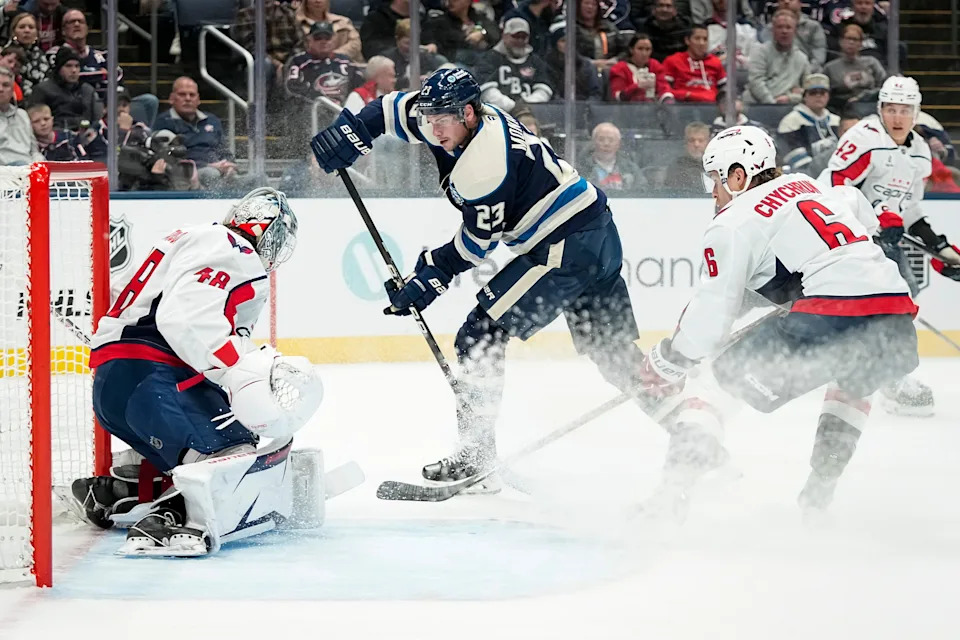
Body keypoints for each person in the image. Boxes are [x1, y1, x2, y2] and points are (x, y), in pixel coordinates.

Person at [311, 68, 646, 488]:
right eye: (429, 118)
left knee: (480, 333)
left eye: (442, 119)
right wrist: (353, 132)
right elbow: (389, 109)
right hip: (594, 232)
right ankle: (690, 423)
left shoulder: (485, 164)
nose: (433, 128)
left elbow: (475, 245)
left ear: (469, 114)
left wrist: (430, 274)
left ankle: (476, 456)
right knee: (613, 352)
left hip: (565, 246)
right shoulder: (449, 118)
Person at [637, 125, 919, 518]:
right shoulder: (809, 185)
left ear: (738, 176)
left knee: (714, 384)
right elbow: (854, 202)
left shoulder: (732, 221)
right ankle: (818, 496)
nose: (712, 191)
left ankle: (669, 498)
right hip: (897, 320)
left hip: (827, 316)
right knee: (854, 382)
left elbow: (713, 309)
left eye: (715, 179)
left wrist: (672, 358)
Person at [71, 188, 322, 556]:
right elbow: (185, 320)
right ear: (266, 232)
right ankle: (172, 518)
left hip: (119, 384)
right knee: (235, 448)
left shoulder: (194, 235)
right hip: (153, 380)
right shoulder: (235, 250)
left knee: (206, 439)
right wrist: (239, 373)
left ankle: (119, 491)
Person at [820, 76, 959, 416]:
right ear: (880, 109)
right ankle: (887, 378)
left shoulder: (920, 152)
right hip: (839, 238)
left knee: (904, 294)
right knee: (883, 304)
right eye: (891, 109)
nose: (897, 117)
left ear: (917, 113)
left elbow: (909, 210)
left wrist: (940, 249)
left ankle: (889, 376)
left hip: (881, 241)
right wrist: (874, 220)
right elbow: (834, 191)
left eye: (905, 110)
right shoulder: (864, 139)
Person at [153, 76, 237, 189]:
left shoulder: (212, 120)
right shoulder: (163, 122)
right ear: (172, 98)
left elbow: (224, 151)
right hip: (189, 175)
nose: (188, 98)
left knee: (257, 178)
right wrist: (208, 166)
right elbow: (167, 159)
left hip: (221, 172)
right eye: (182, 94)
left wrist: (229, 165)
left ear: (198, 100)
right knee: (210, 174)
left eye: (192, 95)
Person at [475, 17, 553, 113]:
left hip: (531, 113)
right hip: (499, 114)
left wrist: (529, 105)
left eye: (523, 37)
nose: (520, 40)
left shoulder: (535, 61)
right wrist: (512, 106)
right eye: (515, 36)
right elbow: (486, 90)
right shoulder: (490, 58)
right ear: (504, 36)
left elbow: (544, 88)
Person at [777, 73, 839, 176]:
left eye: (823, 93)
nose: (818, 96)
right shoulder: (791, 121)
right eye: (813, 92)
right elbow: (798, 163)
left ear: (828, 96)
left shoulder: (836, 120)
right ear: (805, 96)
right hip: (807, 176)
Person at [745, 10, 810, 105]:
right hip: (758, 105)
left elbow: (808, 91)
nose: (784, 31)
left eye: (788, 27)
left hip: (789, 106)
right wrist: (773, 105)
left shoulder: (802, 58)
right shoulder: (760, 51)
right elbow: (756, 83)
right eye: (780, 27)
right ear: (773, 30)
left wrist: (791, 98)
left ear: (795, 31)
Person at [28, 46, 101, 130]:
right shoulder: (42, 90)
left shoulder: (87, 90)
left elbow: (97, 120)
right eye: (68, 66)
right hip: (55, 136)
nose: (74, 70)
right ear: (59, 69)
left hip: (85, 135)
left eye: (77, 66)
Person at [822, 23, 885, 112]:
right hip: (841, 108)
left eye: (855, 39)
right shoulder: (830, 68)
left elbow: (883, 85)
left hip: (869, 105)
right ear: (841, 41)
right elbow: (825, 92)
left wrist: (864, 96)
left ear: (860, 43)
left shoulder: (872, 62)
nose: (851, 42)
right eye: (848, 38)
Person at [661, 23, 726, 103]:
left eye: (705, 39)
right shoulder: (673, 61)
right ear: (687, 40)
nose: (701, 43)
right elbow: (663, 86)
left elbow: (725, 88)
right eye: (697, 38)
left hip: (712, 107)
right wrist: (685, 95)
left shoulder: (715, 62)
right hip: (682, 106)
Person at [608, 33, 674, 102]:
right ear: (631, 50)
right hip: (628, 109)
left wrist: (668, 99)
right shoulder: (619, 68)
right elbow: (617, 96)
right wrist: (637, 87)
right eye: (640, 49)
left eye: (648, 49)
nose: (644, 53)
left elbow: (664, 87)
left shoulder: (654, 65)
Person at [294, 0, 362, 62]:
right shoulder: (294, 23)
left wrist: (334, 55)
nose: (317, 1)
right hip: (307, 66)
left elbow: (355, 44)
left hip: (345, 65)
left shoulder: (343, 22)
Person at [0, 65, 41, 164]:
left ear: (12, 90)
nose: (0, 89)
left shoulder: (22, 115)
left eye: (6, 85)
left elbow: (34, 150)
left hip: (27, 168)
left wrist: (39, 164)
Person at [6, 12, 49, 99]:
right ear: (13, 32)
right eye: (22, 27)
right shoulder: (6, 54)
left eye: (31, 27)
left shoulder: (41, 55)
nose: (27, 30)